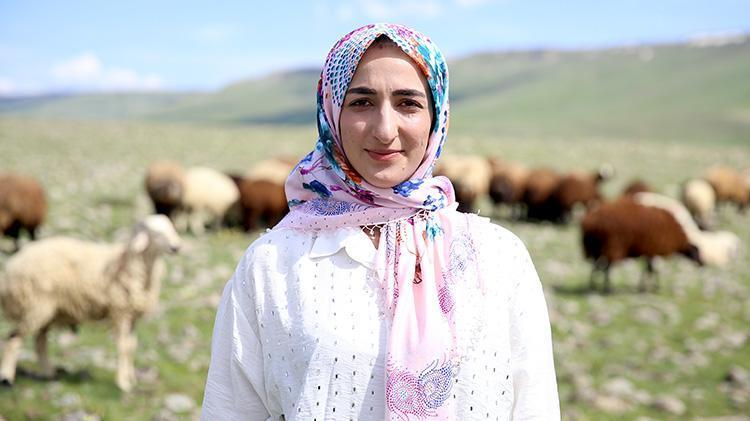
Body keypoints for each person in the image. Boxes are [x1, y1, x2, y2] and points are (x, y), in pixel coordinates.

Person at [201, 23, 559, 420]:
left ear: (436, 115)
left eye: (408, 103)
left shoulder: (499, 257)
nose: (385, 130)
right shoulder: (271, 265)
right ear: (331, 112)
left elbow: (535, 408)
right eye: (361, 102)